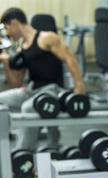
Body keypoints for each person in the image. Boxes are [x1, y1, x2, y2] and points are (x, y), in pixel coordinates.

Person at [0, 7, 85, 150]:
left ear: (14, 22)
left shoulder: (46, 38)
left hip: (52, 89)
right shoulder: (22, 49)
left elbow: (70, 59)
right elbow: (16, 84)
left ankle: (23, 154)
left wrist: (79, 86)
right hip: (32, 89)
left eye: (7, 28)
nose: (7, 34)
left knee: (28, 108)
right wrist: (6, 62)